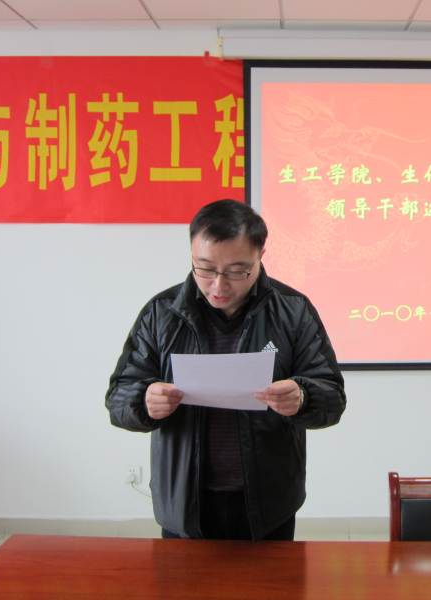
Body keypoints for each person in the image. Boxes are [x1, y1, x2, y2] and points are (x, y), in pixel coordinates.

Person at [105, 199, 346, 541]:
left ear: (261, 255)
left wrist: (303, 397)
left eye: (237, 271)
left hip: (268, 501)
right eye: (204, 269)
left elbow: (333, 397)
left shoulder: (293, 311)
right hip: (184, 501)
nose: (218, 286)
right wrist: (143, 401)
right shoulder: (161, 313)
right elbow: (118, 398)